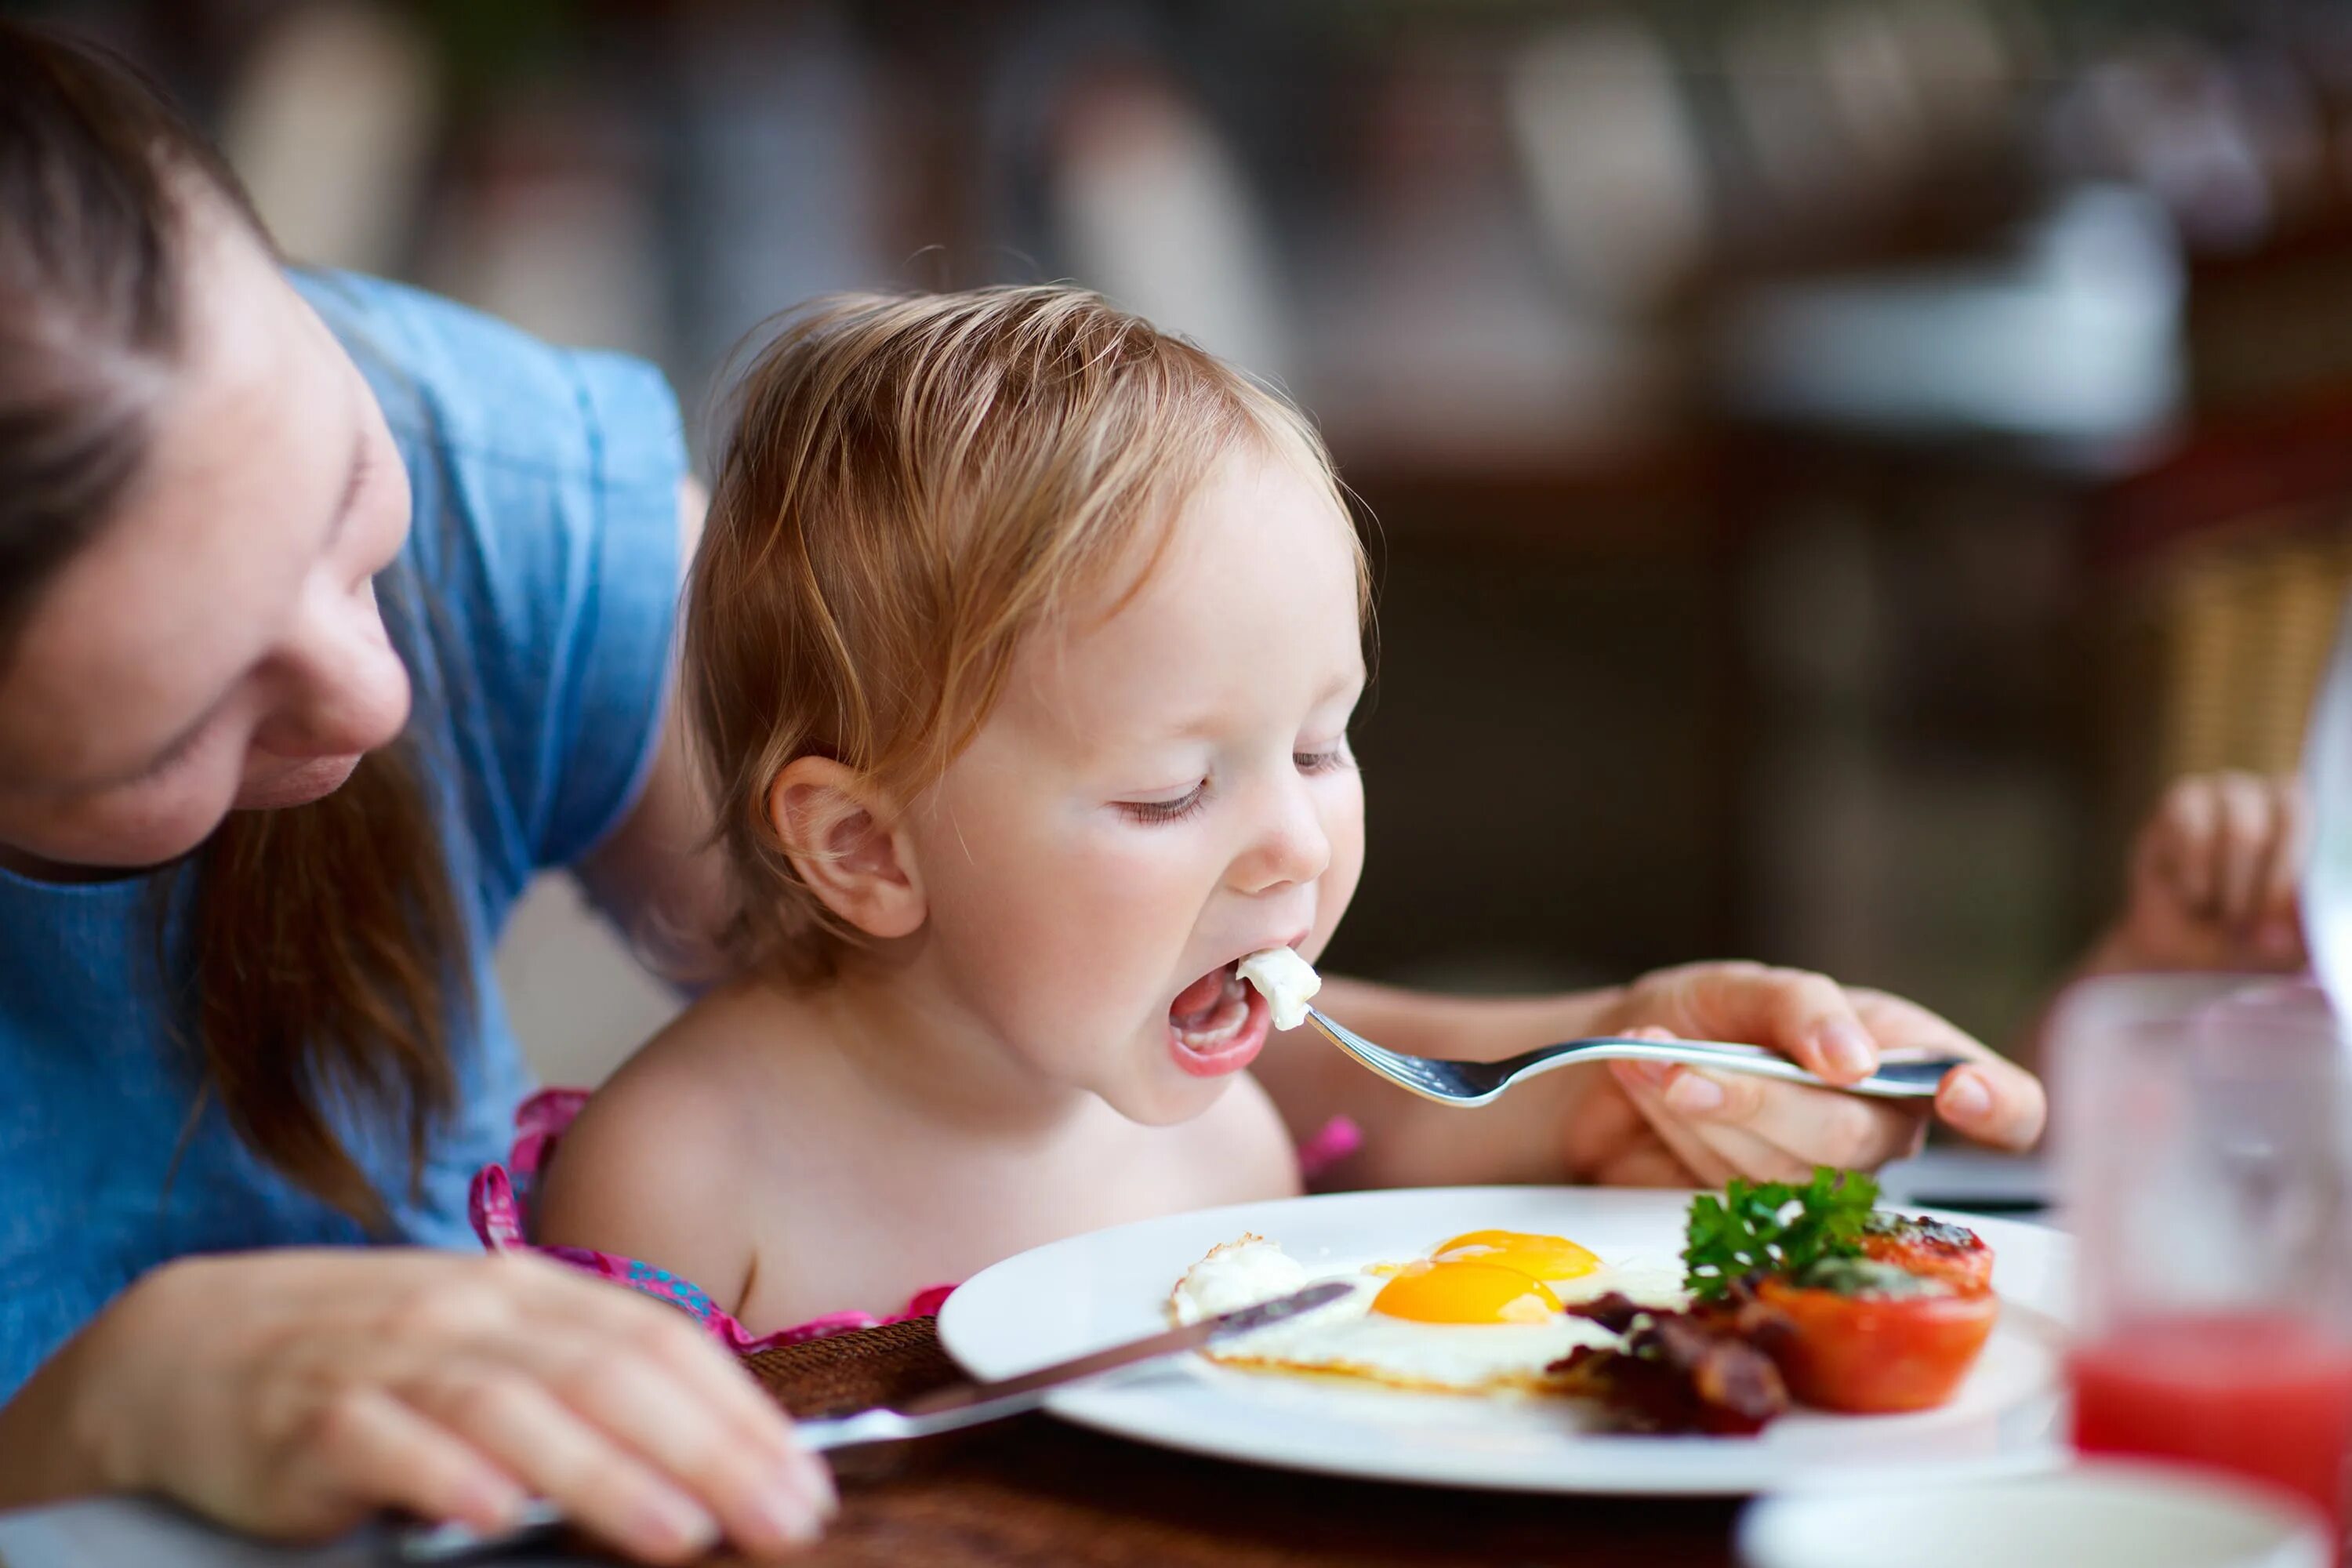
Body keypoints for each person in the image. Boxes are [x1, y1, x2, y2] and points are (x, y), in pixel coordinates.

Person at [0, 19, 2042, 1562]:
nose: (378, 689)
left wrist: (1568, 1064)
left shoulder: (500, 490)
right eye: (174, 724)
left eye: (362, 515)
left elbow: (1000, 999)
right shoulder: (685, 1188)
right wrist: (89, 1411)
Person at [518, 288, 2048, 1336]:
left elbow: (1471, 1129)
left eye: (1321, 747)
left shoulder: (1234, 1129)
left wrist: (1692, 1071)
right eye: (1173, 788)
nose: (1295, 844)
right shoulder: (689, 1182)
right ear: (865, 847)